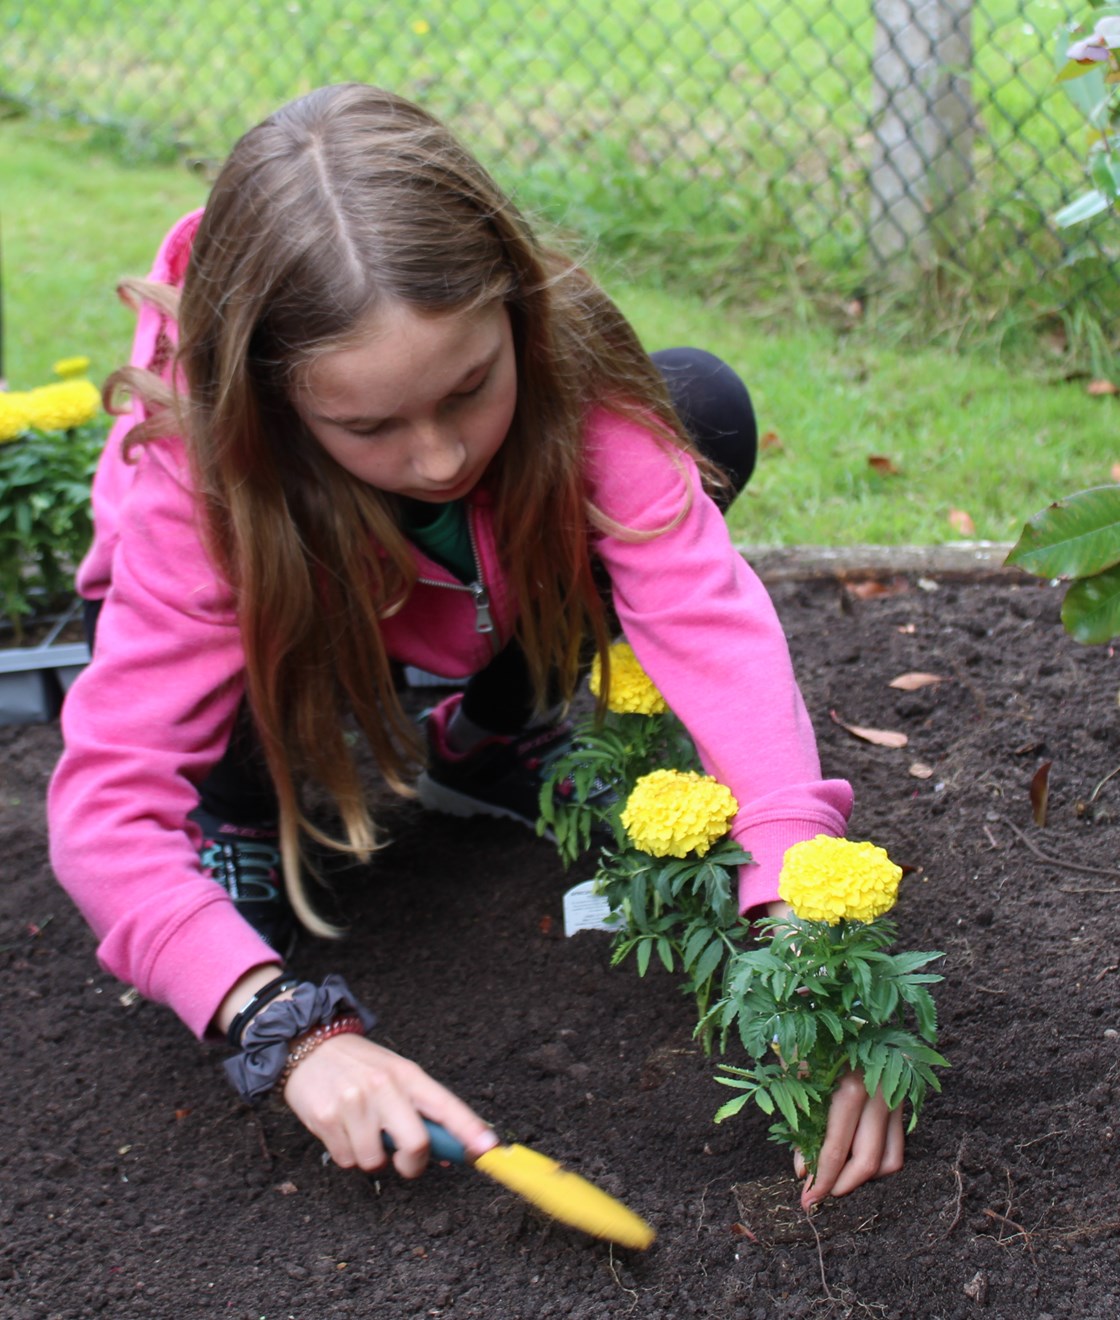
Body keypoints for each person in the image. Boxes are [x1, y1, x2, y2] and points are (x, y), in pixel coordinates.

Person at [48, 84, 902, 1210]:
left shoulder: (572, 371)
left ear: (516, 311)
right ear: (274, 402)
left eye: (468, 389)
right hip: (289, 629)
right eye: (370, 426)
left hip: (465, 605)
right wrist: (284, 1028)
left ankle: (486, 735)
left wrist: (797, 910)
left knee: (701, 408)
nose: (443, 455)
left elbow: (709, 626)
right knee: (225, 703)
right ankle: (245, 807)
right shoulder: (203, 482)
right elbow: (104, 812)